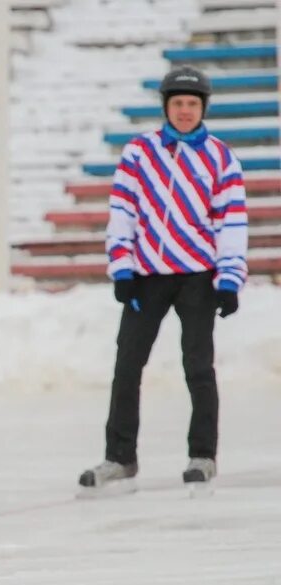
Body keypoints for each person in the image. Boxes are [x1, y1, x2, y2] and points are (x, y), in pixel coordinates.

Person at [78, 66, 248, 493]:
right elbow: (122, 213)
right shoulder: (139, 154)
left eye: (192, 104)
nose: (185, 111)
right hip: (147, 278)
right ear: (166, 107)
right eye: (178, 104)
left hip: (198, 277)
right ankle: (119, 458)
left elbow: (232, 224)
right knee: (127, 366)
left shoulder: (221, 158)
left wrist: (229, 278)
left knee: (198, 367)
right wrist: (122, 268)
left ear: (203, 107)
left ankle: (202, 455)